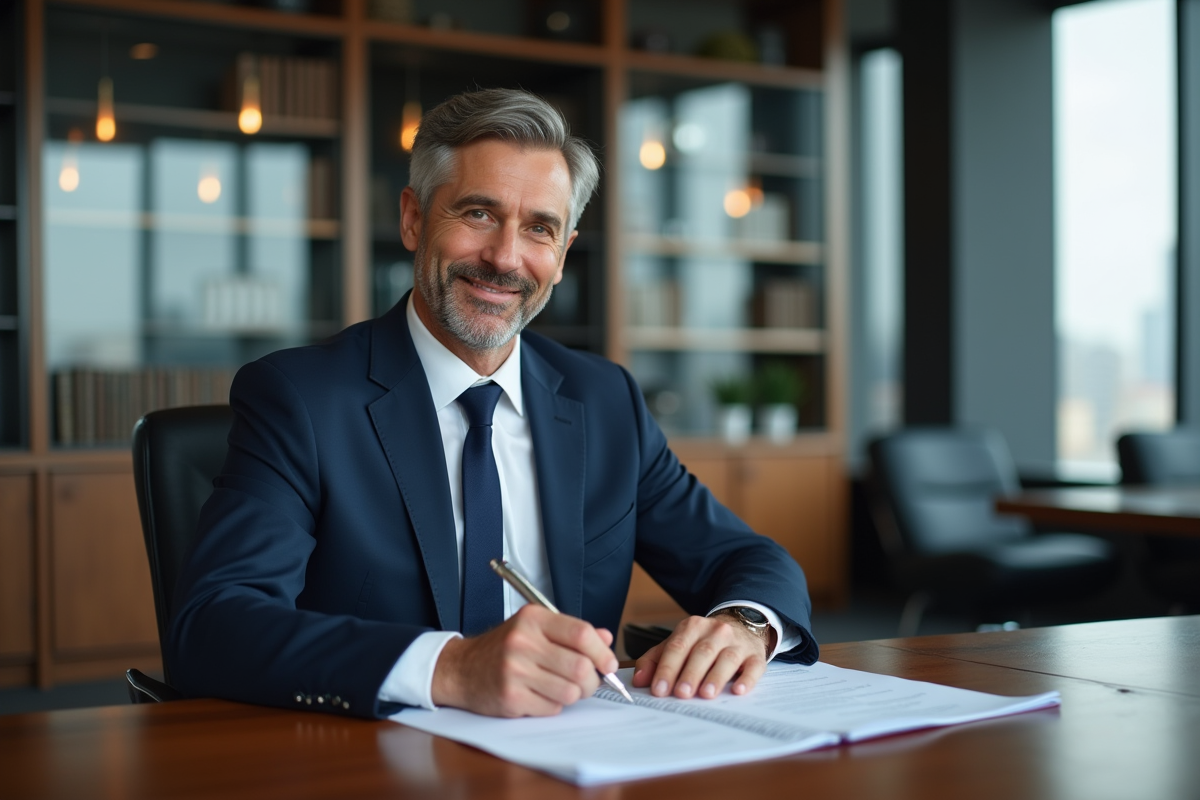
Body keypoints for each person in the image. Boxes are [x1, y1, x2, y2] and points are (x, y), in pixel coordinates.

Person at [167, 88, 818, 720]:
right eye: (478, 213)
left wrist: (745, 624)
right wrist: (449, 668)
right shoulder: (300, 398)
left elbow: (750, 559)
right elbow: (214, 625)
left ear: (563, 255)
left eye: (540, 228)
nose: (506, 258)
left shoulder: (604, 399)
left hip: (581, 756)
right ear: (414, 219)